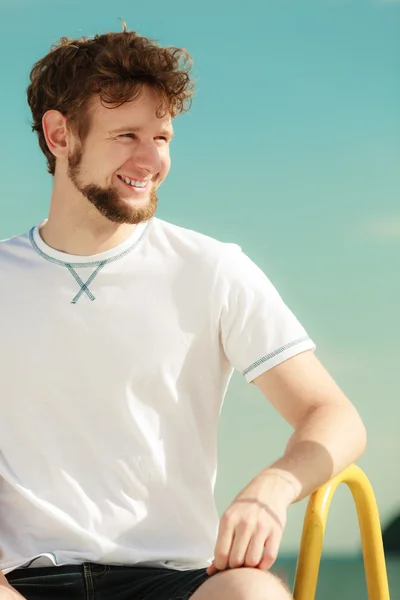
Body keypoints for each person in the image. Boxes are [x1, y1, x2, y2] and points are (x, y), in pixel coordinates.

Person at [0, 21, 366, 600]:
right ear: (59, 135)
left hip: (172, 581)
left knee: (254, 594)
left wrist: (271, 487)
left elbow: (333, 415)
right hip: (21, 581)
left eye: (162, 137)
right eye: (127, 136)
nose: (151, 160)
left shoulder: (212, 269)